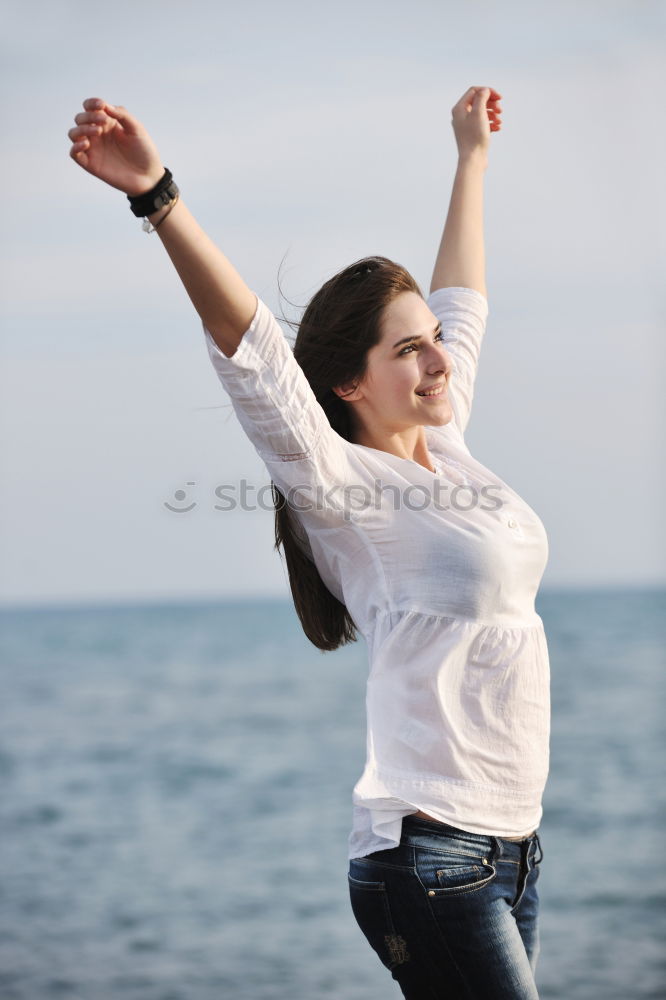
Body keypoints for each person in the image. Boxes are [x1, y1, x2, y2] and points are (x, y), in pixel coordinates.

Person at [68, 85, 549, 999]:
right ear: (349, 384)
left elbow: (463, 296)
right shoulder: (337, 485)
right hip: (430, 857)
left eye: (435, 343)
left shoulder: (447, 444)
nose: (438, 358)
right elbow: (247, 346)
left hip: (514, 847)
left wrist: (470, 160)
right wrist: (158, 197)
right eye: (408, 350)